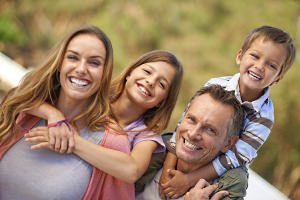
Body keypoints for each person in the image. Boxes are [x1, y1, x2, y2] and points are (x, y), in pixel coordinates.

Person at [23, 50, 183, 199]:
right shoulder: (94, 96)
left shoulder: (146, 135)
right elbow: (24, 98)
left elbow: (132, 170)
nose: (150, 81)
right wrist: (53, 114)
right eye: (147, 72)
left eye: (162, 84)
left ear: (162, 102)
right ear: (129, 73)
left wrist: (74, 142)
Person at [159, 25, 296, 199]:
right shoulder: (215, 84)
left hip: (224, 165)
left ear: (277, 78)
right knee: (157, 144)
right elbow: (183, 123)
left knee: (238, 179)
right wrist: (167, 171)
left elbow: (236, 157)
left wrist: (187, 179)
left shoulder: (264, 117)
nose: (259, 66)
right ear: (240, 56)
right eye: (255, 56)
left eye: (271, 65)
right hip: (194, 146)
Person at [0, 25, 114, 199]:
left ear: (105, 73)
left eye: (94, 62)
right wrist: (53, 115)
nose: (82, 69)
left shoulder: (110, 141)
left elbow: (131, 172)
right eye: (73, 57)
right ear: (60, 63)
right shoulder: (23, 112)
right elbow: (15, 97)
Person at [136, 84, 247, 200]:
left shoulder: (225, 190)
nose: (193, 134)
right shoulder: (149, 151)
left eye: (210, 130)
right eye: (191, 119)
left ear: (228, 143)